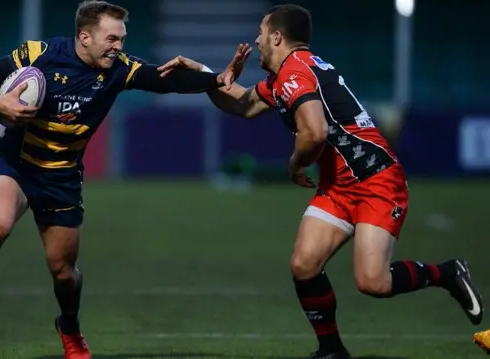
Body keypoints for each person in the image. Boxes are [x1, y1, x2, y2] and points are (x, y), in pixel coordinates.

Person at [158, 4, 483, 359]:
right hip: (340, 185)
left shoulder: (295, 73)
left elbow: (314, 132)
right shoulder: (293, 72)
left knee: (373, 282)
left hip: (375, 179)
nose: (257, 40)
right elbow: (244, 105)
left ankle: (448, 273)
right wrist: (204, 75)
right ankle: (331, 349)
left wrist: (296, 164)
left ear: (277, 37)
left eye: (261, 34)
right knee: (304, 264)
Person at [0, 1, 246, 358]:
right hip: (16, 163)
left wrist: (217, 77)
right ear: (84, 37)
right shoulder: (41, 54)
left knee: (63, 272)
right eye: (112, 39)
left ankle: (69, 326)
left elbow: (164, 80)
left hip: (62, 177)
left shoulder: (119, 69)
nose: (119, 47)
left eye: (122, 39)